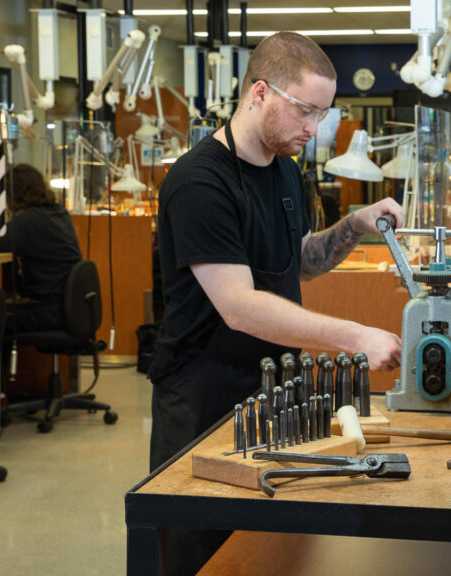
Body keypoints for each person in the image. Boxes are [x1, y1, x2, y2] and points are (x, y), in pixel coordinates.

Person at [151, 32, 402, 574]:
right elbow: (239, 305)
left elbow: (298, 260)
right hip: (202, 397)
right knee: (205, 554)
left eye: (322, 116)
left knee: (267, 550)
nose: (313, 131)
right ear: (260, 92)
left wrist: (355, 225)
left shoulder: (285, 168)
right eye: (305, 112)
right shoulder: (200, 181)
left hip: (268, 392)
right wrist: (355, 336)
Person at [0, 163, 82, 332]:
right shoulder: (59, 212)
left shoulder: (27, 220)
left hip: (48, 311)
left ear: (13, 194)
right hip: (70, 308)